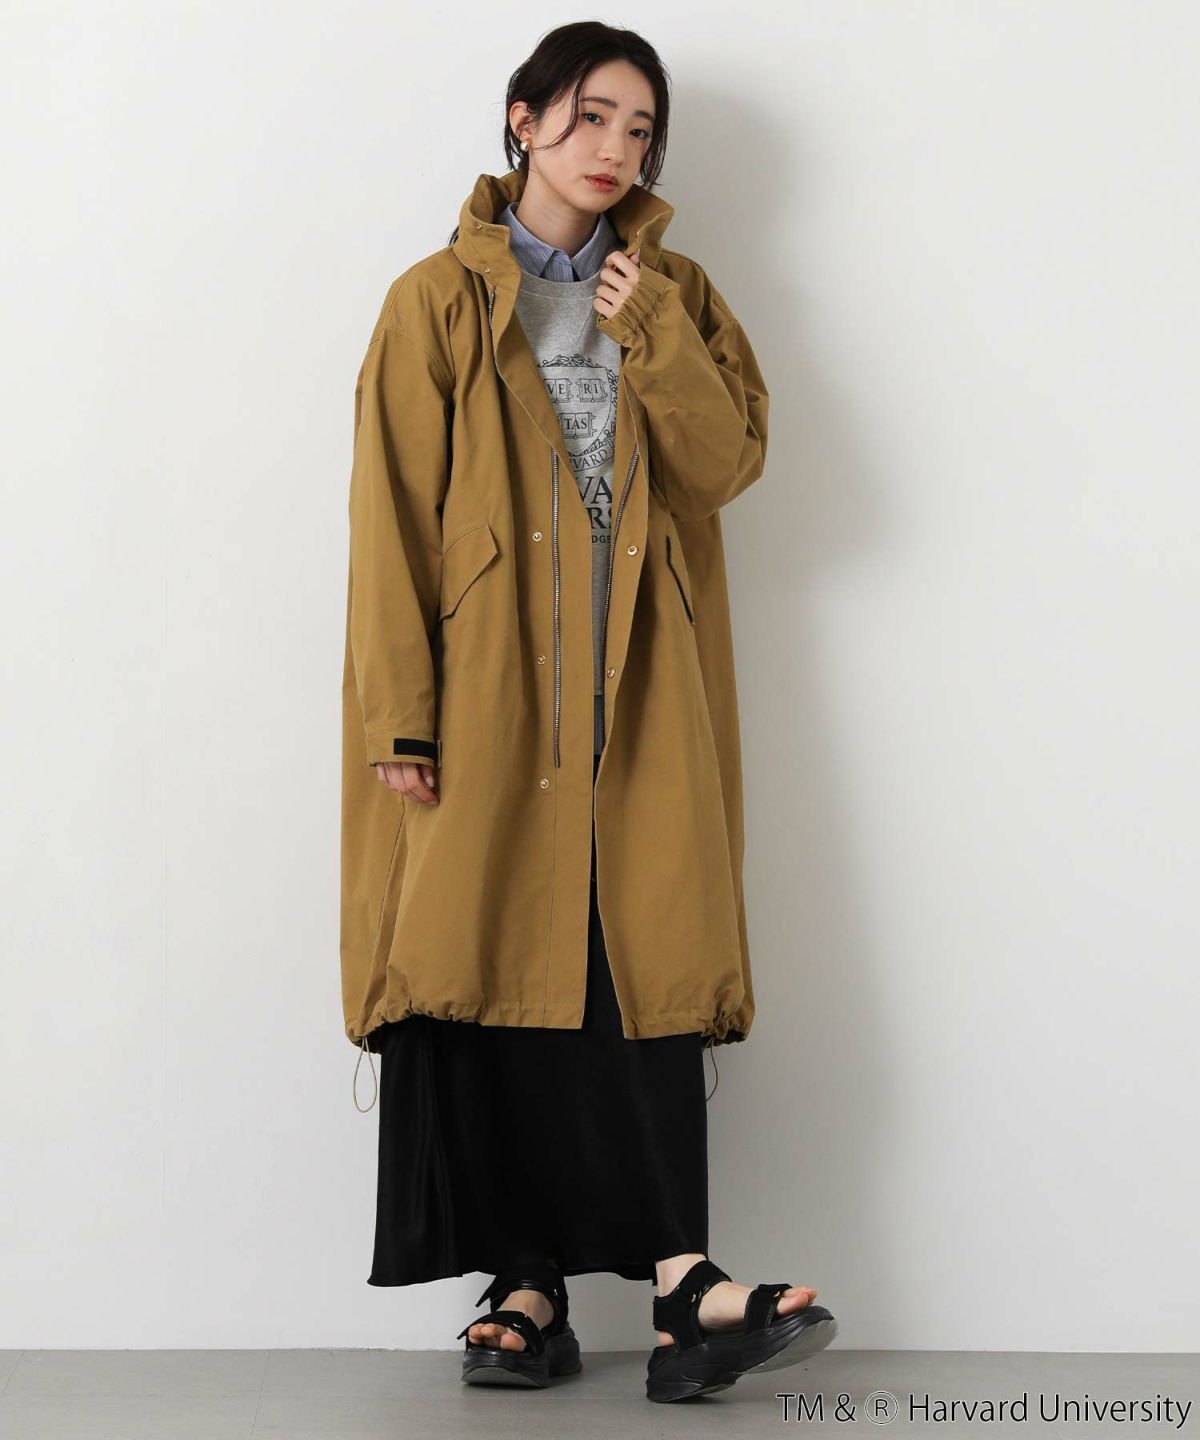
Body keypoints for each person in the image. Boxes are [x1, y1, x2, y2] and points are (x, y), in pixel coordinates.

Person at [339, 20, 838, 1403]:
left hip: (642, 687)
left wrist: (654, 333)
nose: (617, 147)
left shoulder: (677, 292)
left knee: (637, 967)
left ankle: (682, 1288)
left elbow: (726, 465)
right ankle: (524, 1286)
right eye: (591, 115)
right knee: (488, 966)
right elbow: (391, 518)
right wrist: (402, 719)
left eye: (640, 128)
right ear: (523, 119)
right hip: (486, 694)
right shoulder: (435, 301)